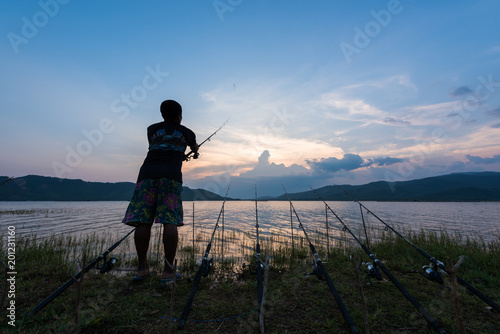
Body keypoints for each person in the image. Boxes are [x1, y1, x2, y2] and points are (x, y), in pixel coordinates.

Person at [122, 99, 198, 282]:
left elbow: (159, 146)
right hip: (171, 177)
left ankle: (142, 269)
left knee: (143, 221)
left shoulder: (152, 129)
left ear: (162, 115)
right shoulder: (187, 132)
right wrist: (191, 152)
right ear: (180, 115)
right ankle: (168, 271)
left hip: (147, 175)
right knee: (169, 221)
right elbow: (194, 148)